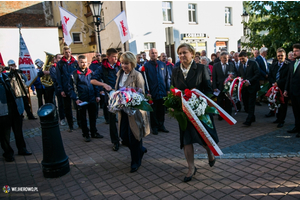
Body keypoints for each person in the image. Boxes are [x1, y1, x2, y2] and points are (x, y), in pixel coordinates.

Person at [171, 43, 219, 182]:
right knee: (186, 140)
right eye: (179, 53)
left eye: (184, 52)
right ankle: (191, 167)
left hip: (200, 111)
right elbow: (174, 90)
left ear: (192, 53)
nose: (182, 55)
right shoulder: (175, 71)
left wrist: (200, 103)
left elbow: (208, 90)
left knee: (203, 137)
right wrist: (174, 104)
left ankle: (209, 152)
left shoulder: (201, 68)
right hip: (184, 113)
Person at [115, 51, 150, 173]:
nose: (124, 65)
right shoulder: (119, 74)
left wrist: (131, 97)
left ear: (132, 63)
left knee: (134, 136)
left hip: (134, 112)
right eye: (123, 63)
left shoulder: (137, 75)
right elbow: (117, 90)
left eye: (127, 63)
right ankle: (140, 149)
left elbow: (142, 94)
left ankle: (135, 162)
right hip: (123, 111)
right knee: (124, 137)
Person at [0, 64, 32, 162]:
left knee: (18, 130)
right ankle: (8, 153)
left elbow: (24, 81)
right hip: (3, 109)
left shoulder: (7, 76)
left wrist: (15, 72)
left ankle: (22, 149)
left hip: (15, 107)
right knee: (5, 133)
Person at [91, 48, 121, 151]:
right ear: (108, 57)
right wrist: (104, 85)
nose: (116, 59)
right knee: (112, 120)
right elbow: (93, 80)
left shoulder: (119, 66)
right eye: (113, 57)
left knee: (124, 118)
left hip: (121, 95)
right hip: (110, 97)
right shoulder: (101, 68)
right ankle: (115, 142)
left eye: (117, 57)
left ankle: (124, 138)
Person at [69, 55, 103, 142]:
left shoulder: (91, 72)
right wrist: (76, 99)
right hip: (81, 99)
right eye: (82, 62)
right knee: (83, 118)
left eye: (85, 62)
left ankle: (94, 132)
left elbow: (95, 85)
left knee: (93, 117)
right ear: (78, 62)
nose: (84, 64)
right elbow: (71, 88)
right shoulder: (74, 74)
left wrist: (97, 95)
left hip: (92, 98)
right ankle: (86, 134)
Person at [143, 48, 170, 135]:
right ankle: (154, 127)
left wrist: (168, 89)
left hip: (162, 91)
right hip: (152, 92)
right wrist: (147, 92)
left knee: (161, 110)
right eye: (152, 53)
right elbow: (144, 80)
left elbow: (167, 78)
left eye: (155, 53)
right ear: (149, 54)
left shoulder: (162, 64)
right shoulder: (146, 66)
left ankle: (161, 125)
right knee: (153, 110)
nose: (154, 54)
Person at [56, 46, 79, 132]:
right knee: (67, 108)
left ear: (71, 52)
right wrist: (61, 90)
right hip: (65, 88)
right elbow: (58, 78)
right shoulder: (60, 64)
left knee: (78, 106)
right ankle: (70, 125)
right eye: (66, 52)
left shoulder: (75, 62)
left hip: (75, 88)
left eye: (69, 52)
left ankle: (80, 123)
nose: (67, 54)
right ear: (63, 53)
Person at [267, 48, 290, 127]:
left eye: (282, 56)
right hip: (274, 87)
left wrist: (278, 83)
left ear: (285, 56)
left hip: (283, 88)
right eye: (278, 55)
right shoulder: (273, 65)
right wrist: (273, 83)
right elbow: (270, 75)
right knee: (276, 103)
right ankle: (278, 118)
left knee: (283, 105)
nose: (280, 57)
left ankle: (281, 120)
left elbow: (288, 77)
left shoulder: (288, 65)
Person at [238, 51, 260, 126]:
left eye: (243, 58)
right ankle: (252, 116)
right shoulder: (241, 65)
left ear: (246, 57)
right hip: (244, 88)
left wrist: (249, 81)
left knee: (251, 104)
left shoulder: (253, 63)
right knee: (246, 104)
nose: (241, 60)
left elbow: (257, 74)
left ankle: (249, 120)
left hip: (252, 87)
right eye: (240, 59)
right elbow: (239, 75)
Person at [212, 52, 237, 119]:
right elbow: (214, 77)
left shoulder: (231, 65)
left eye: (227, 58)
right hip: (219, 86)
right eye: (224, 58)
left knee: (228, 101)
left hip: (228, 86)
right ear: (220, 58)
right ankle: (220, 115)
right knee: (219, 101)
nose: (226, 59)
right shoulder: (216, 65)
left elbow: (234, 74)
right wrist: (214, 87)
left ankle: (228, 115)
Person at [284, 43, 300, 137]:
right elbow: (289, 78)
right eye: (293, 51)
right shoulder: (292, 63)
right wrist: (286, 89)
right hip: (293, 91)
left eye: (297, 51)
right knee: (295, 111)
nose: (294, 53)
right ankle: (297, 127)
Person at [50, 54, 66, 126]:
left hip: (65, 88)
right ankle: (62, 118)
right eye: (59, 58)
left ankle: (68, 116)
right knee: (61, 104)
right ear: (55, 59)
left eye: (61, 58)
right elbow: (55, 79)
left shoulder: (64, 66)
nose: (60, 59)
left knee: (67, 104)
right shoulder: (53, 68)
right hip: (59, 89)